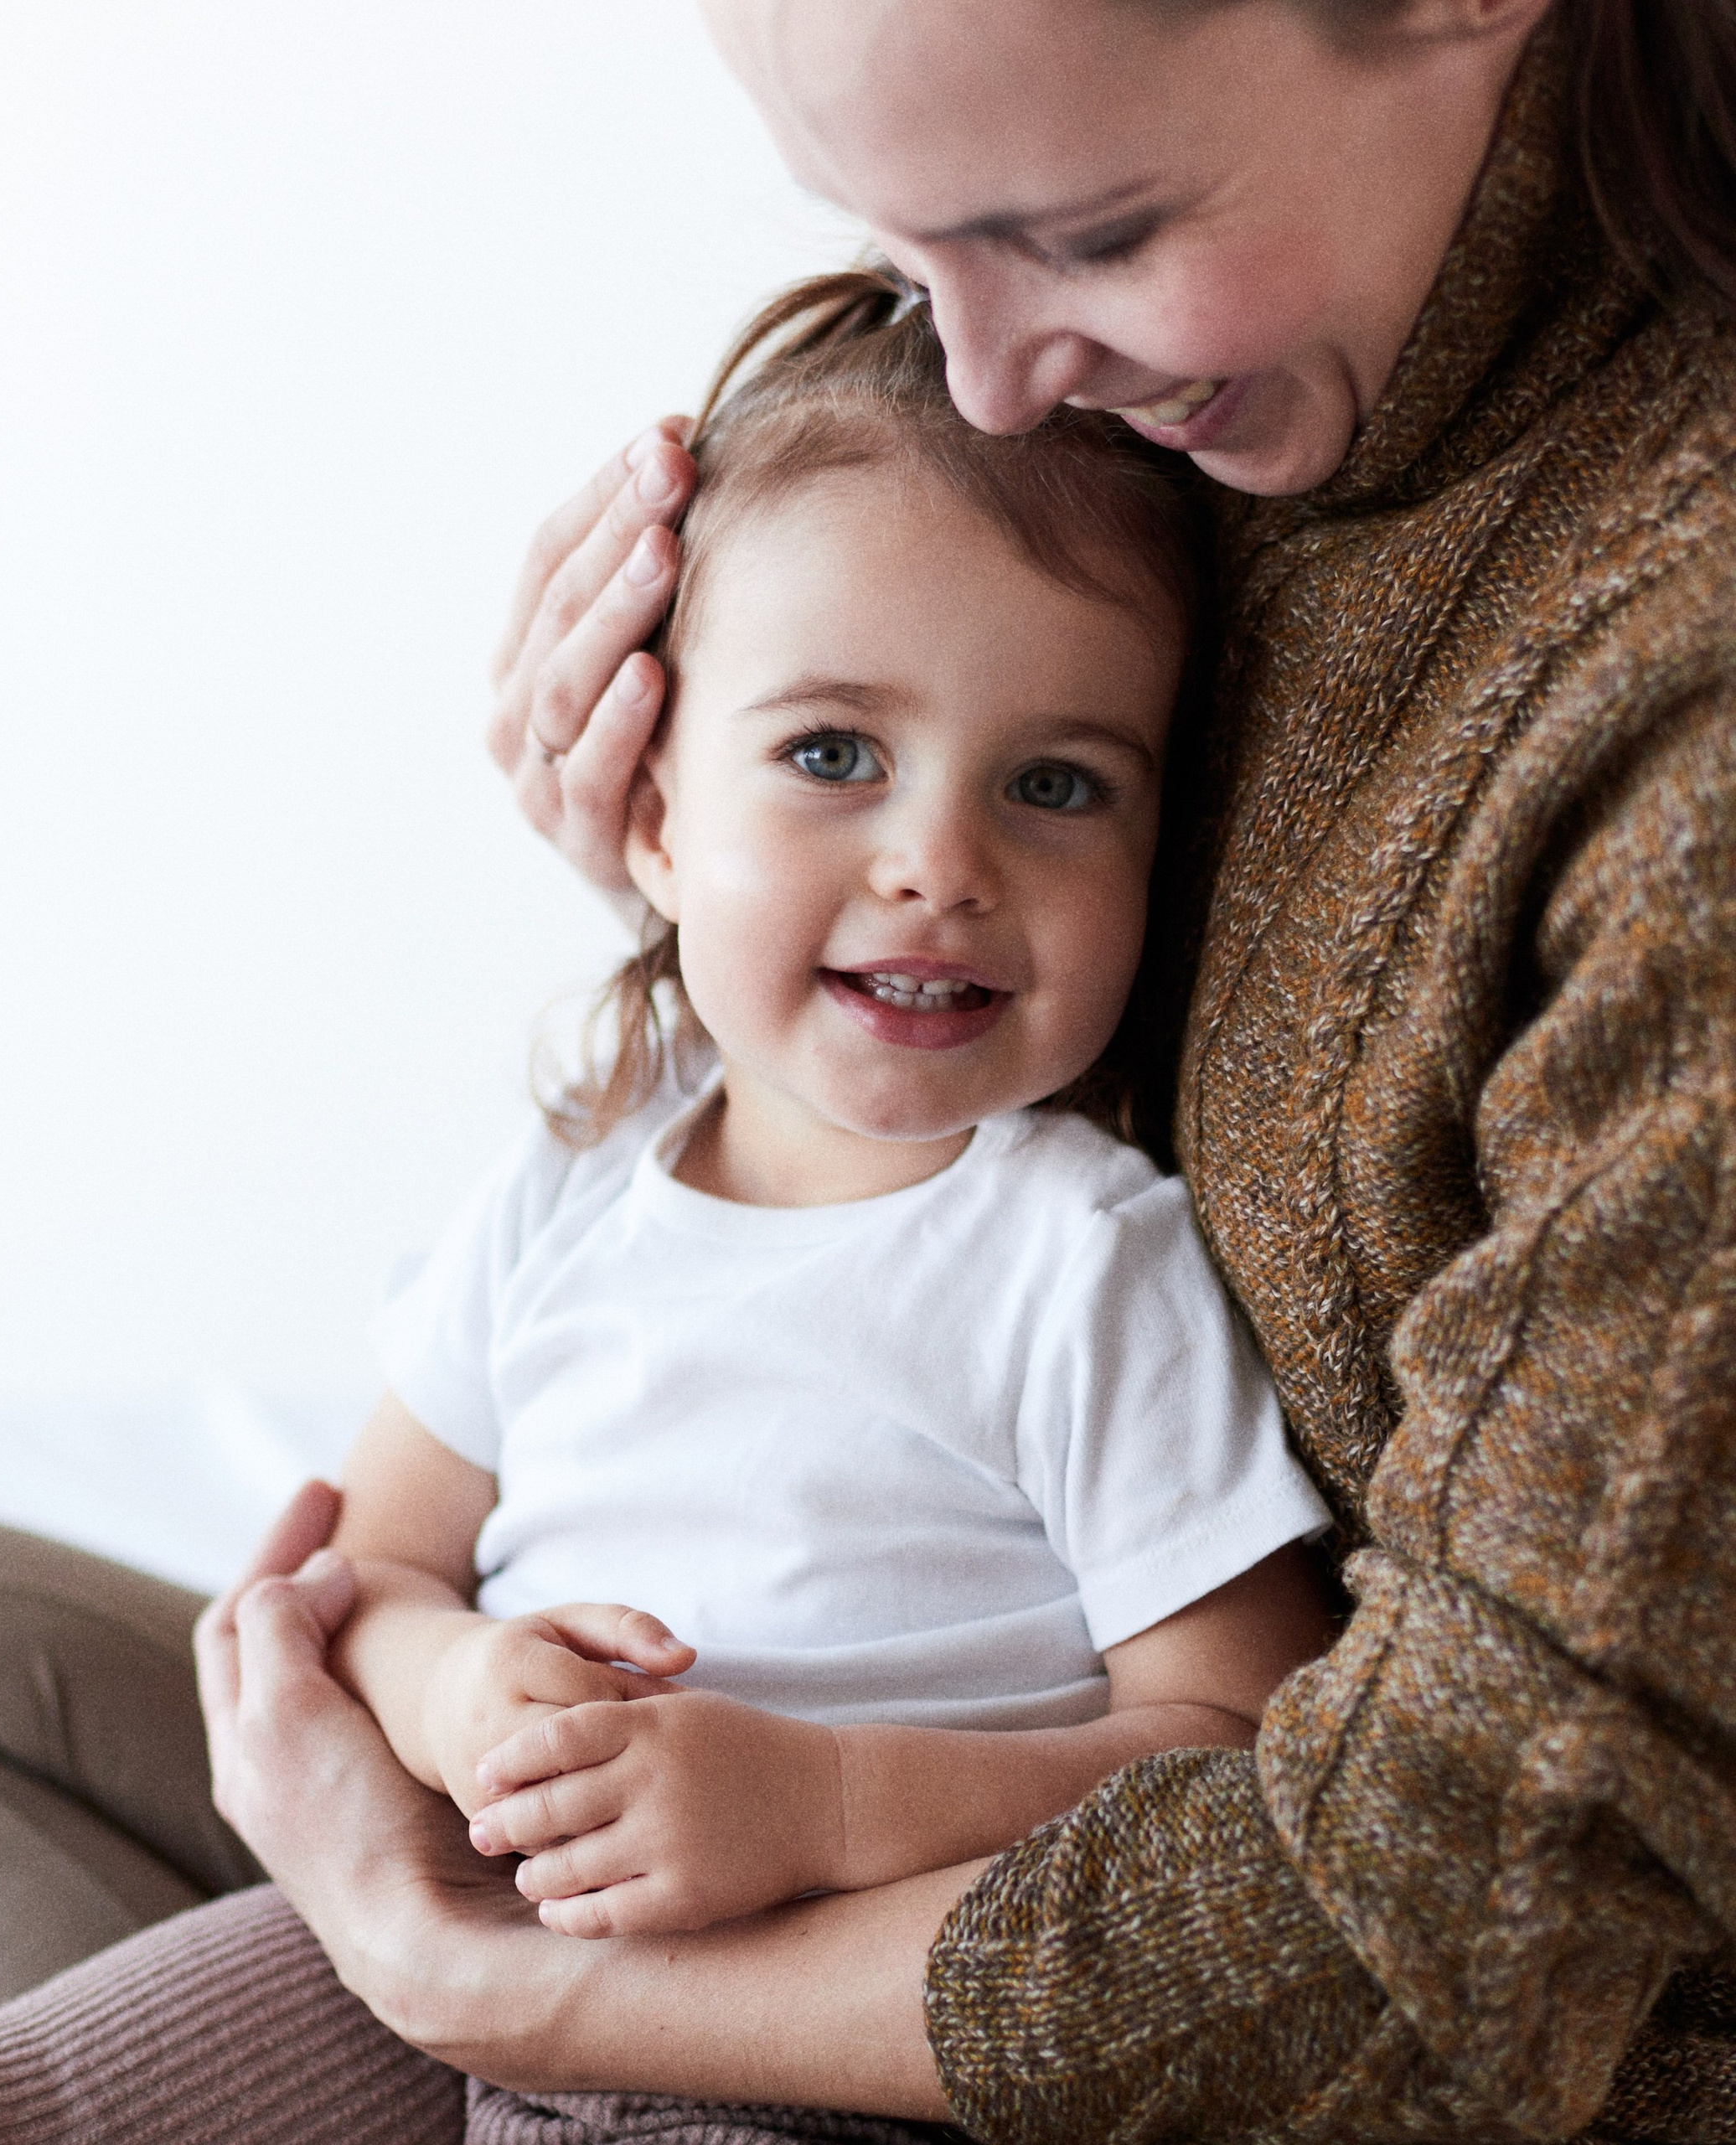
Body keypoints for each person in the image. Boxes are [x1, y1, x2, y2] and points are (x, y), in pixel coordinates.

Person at [0, 0, 1733, 2138]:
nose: (988, 382)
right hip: (591, 1854)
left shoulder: (1658, 709)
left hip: (968, 1967)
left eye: (1083, 232)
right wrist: (706, 881)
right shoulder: (1199, 410)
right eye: (902, 248)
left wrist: (503, 1977)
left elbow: (1421, 1897)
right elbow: (372, 1566)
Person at [324, 273, 1335, 1964]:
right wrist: (451, 1692)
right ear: (651, 820)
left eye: (1054, 784)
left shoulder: (1071, 1254)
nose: (938, 861)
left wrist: (817, 1804)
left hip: (787, 2017)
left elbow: (1239, 1737)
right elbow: (372, 1570)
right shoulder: (574, 1174)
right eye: (829, 752)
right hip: (476, 1902)